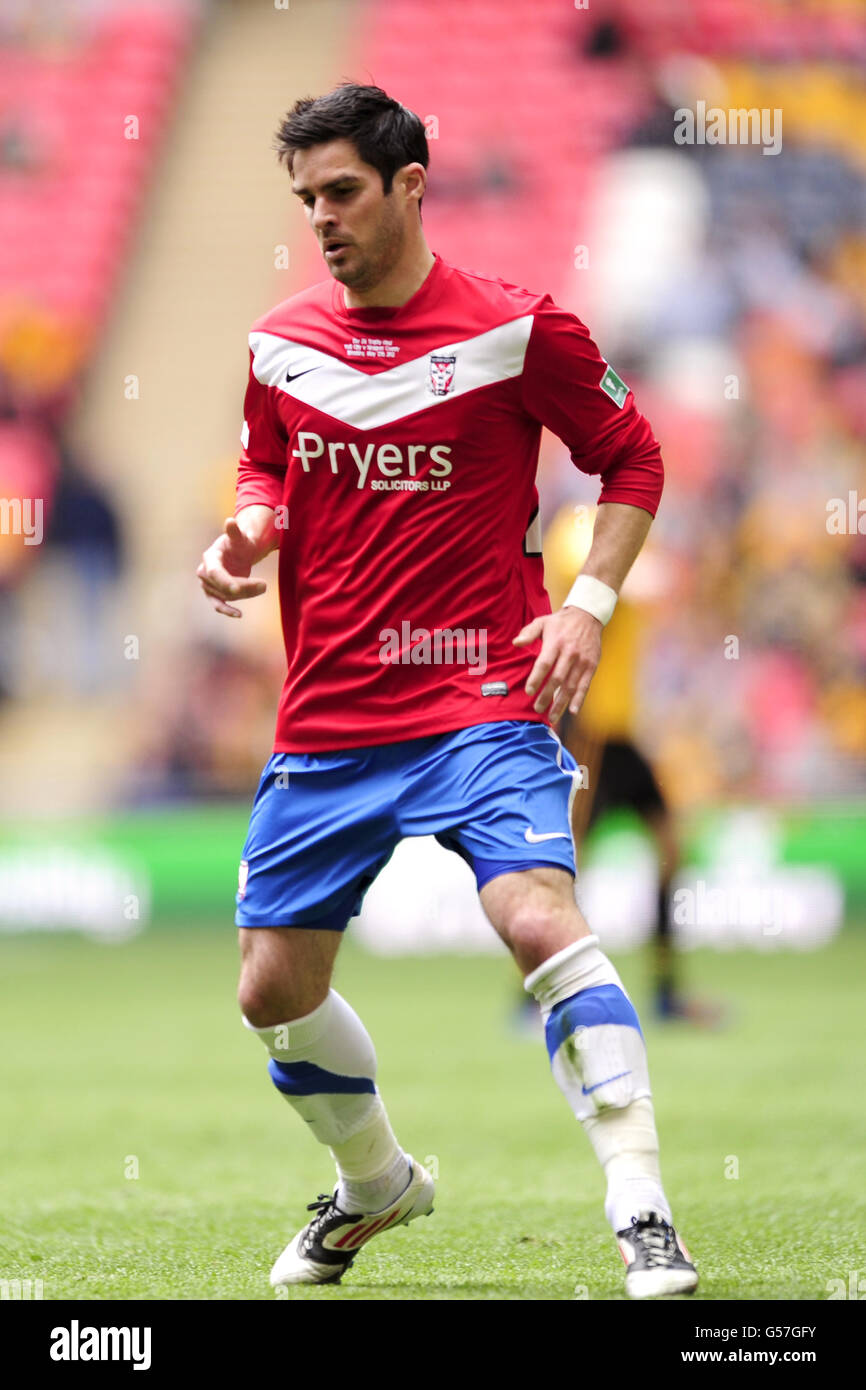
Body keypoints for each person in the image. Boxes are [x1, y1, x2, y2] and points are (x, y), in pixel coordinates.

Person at [196, 83, 697, 1298]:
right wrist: (246, 532)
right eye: (306, 197)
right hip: (326, 711)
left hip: (479, 692)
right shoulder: (278, 341)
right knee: (271, 988)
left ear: (409, 186)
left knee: (536, 913)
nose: (320, 217)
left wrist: (584, 604)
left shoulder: (519, 332)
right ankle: (376, 1184)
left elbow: (630, 454)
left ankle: (641, 1205)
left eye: (342, 192)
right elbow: (267, 460)